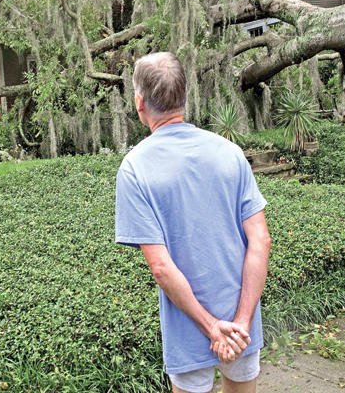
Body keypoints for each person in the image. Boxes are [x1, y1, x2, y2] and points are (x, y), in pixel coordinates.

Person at [115, 52, 271, 393]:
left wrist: (212, 327)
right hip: (242, 324)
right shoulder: (229, 152)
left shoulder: (134, 168)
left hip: (188, 328)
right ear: (185, 97)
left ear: (139, 103)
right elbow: (261, 241)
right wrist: (240, 322)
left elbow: (160, 267)